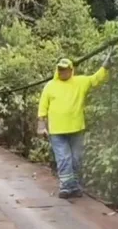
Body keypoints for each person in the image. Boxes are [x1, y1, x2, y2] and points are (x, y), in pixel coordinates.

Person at [37, 50, 113, 199]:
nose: (63, 72)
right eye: (60, 69)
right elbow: (43, 106)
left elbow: (95, 79)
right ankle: (66, 187)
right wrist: (41, 125)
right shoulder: (50, 86)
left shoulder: (80, 82)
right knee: (64, 158)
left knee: (76, 158)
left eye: (65, 69)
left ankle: (75, 185)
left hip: (76, 128)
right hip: (57, 130)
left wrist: (105, 66)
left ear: (71, 70)